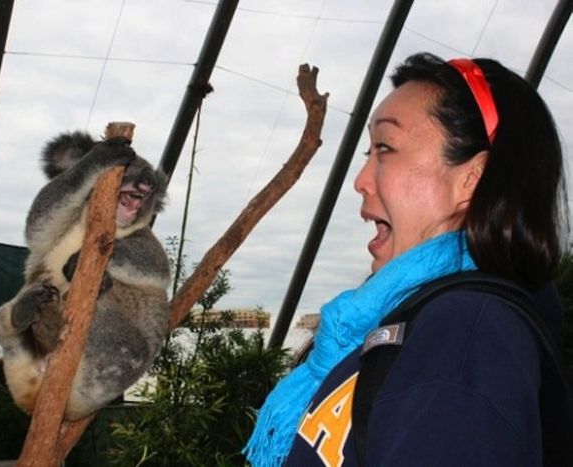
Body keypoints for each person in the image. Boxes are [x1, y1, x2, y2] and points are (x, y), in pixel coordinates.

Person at [244, 52, 569, 466]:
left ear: (471, 179)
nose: (361, 181)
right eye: (368, 152)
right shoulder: (411, 324)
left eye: (385, 148)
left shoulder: (466, 340)